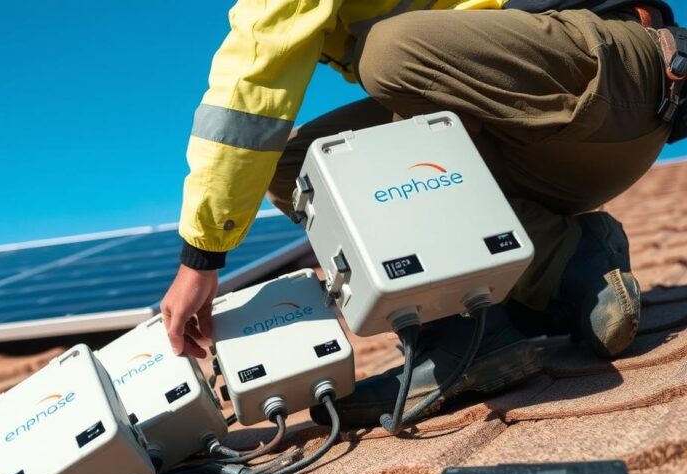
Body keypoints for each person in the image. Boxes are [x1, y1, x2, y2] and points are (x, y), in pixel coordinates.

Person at [160, 0, 683, 426]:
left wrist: (201, 256)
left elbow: (252, 86)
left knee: (389, 54)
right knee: (303, 167)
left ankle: (531, 278)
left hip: (617, 73)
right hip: (551, 132)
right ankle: (541, 280)